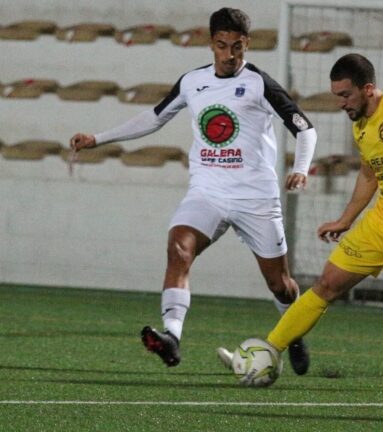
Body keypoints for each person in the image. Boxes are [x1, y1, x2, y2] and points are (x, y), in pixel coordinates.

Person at [69, 7, 316, 376]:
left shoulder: (259, 83)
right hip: (208, 193)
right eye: (222, 46)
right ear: (210, 43)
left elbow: (305, 128)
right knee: (179, 247)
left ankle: (293, 333)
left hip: (255, 197)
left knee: (279, 284)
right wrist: (99, 139)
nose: (230, 55)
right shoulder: (192, 82)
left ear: (247, 44)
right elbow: (154, 118)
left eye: (237, 47)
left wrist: (300, 170)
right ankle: (171, 337)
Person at [223, 53, 383, 392]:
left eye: (345, 95)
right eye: (336, 95)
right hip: (382, 223)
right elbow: (370, 175)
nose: (341, 103)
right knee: (327, 283)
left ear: (367, 89)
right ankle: (266, 351)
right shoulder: (361, 124)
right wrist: (345, 220)